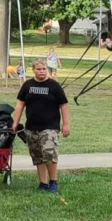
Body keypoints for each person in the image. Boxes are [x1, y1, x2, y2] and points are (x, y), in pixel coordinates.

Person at [12, 60, 70, 193]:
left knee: (49, 154)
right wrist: (15, 122)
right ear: (33, 70)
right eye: (39, 69)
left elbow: (64, 105)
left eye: (44, 69)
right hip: (32, 127)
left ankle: (53, 182)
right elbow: (20, 104)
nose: (42, 71)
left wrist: (66, 124)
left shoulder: (54, 86)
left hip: (50, 126)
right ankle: (43, 183)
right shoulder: (27, 85)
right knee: (37, 156)